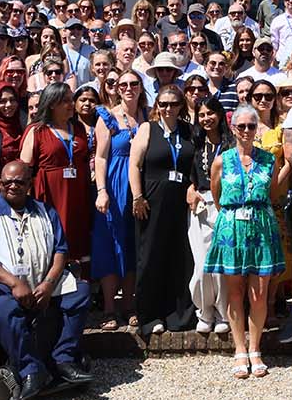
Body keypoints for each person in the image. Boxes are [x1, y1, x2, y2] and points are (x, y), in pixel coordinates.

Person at [0, 161, 93, 400]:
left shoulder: (46, 211)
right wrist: (13, 282)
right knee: (1, 310)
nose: (13, 186)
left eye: (19, 182)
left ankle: (63, 361)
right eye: (7, 182)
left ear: (29, 184)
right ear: (0, 184)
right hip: (5, 286)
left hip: (44, 283)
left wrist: (48, 283)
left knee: (80, 292)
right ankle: (31, 370)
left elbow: (60, 251)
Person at [206, 105, 285, 379]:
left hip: (261, 226)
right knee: (236, 292)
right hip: (232, 227)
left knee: (259, 294)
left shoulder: (268, 160)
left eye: (252, 126)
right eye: (242, 126)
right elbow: (216, 194)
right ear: (233, 128)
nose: (247, 131)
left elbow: (272, 192)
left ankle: (255, 348)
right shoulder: (221, 160)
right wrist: (231, 216)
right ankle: (239, 348)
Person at [129, 86, 198, 333]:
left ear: (181, 106)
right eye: (163, 104)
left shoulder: (188, 131)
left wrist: (193, 186)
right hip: (152, 200)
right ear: (157, 105)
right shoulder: (148, 128)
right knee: (150, 257)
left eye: (173, 103)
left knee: (180, 257)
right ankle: (149, 316)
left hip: (180, 203)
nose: (168, 108)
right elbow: (135, 164)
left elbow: (195, 165)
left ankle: (178, 315)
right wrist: (137, 196)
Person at [91, 71, 145, 330]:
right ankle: (110, 307)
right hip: (114, 185)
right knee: (111, 244)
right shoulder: (108, 117)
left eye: (133, 83)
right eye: (121, 84)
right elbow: (100, 157)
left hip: (139, 187)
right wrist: (102, 190)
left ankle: (130, 303)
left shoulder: (147, 115)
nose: (127, 88)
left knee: (133, 244)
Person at [20, 83, 92, 271]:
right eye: (66, 101)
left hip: (78, 194)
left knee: (78, 241)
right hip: (50, 195)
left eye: (71, 100)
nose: (71, 104)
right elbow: (24, 170)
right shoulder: (37, 130)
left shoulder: (78, 128)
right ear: (52, 104)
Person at [187, 98, 232, 334]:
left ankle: (224, 313)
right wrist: (190, 188)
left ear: (220, 114)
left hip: (226, 206)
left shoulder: (230, 144)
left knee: (222, 265)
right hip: (200, 206)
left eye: (211, 113)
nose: (206, 119)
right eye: (202, 114)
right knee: (203, 265)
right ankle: (204, 311)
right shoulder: (194, 143)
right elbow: (188, 175)